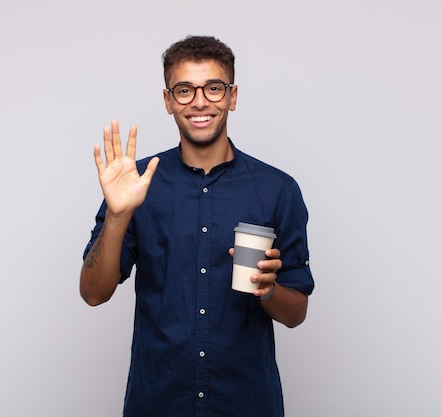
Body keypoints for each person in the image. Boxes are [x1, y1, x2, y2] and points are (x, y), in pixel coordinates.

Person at [80, 35, 314, 417]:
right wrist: (119, 215)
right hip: (158, 402)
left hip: (246, 403)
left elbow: (296, 313)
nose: (200, 101)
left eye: (214, 88)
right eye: (185, 90)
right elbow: (93, 293)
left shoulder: (278, 190)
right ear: (168, 100)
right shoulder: (137, 184)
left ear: (232, 96)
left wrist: (269, 290)